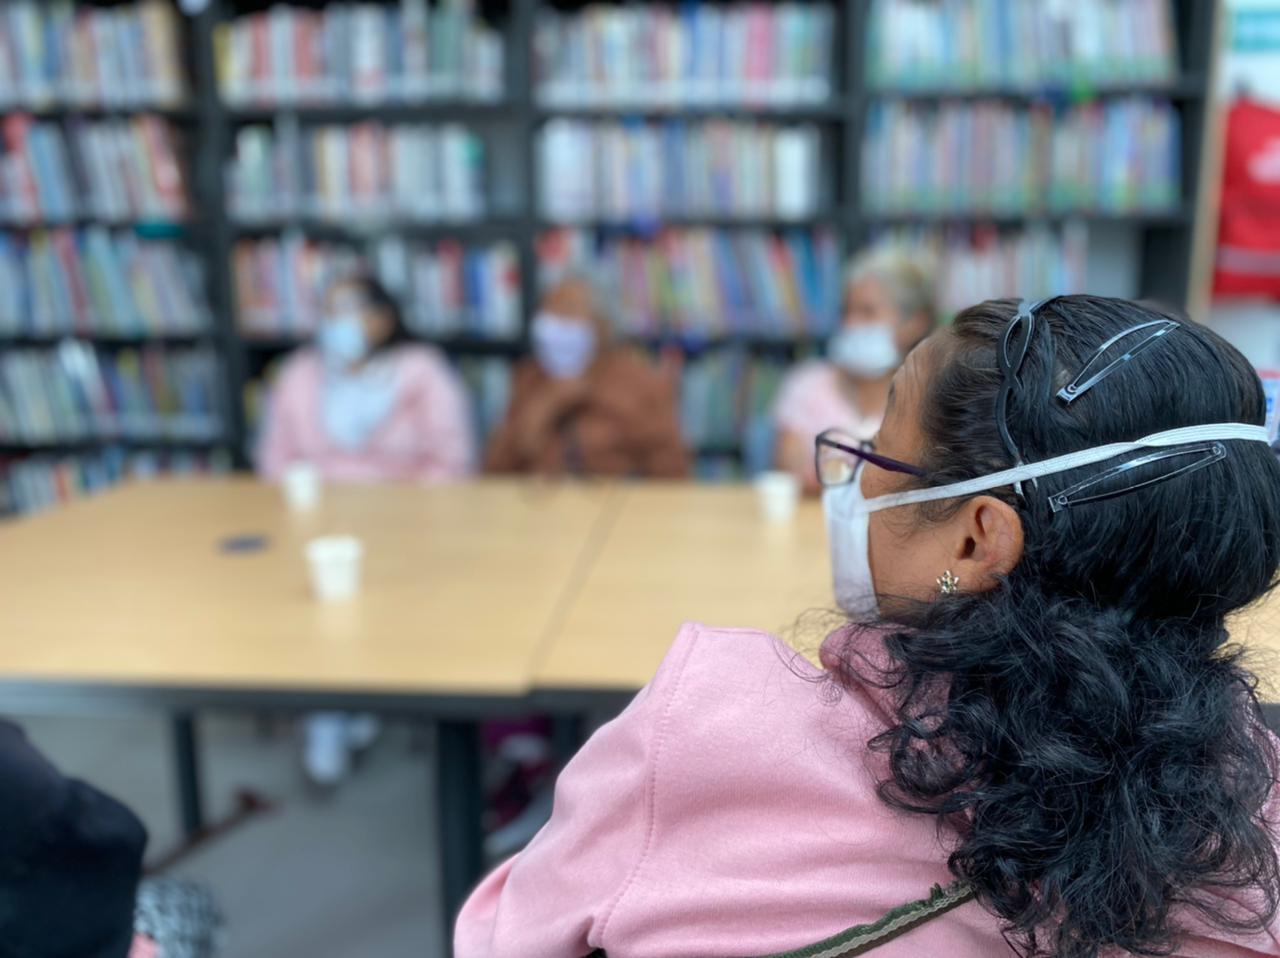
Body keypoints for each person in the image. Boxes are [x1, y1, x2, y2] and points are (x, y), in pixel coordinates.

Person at [455, 296, 1280, 958]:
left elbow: (502, 936)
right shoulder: (1258, 804)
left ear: (977, 539)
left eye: (879, 459)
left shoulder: (701, 733)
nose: (856, 485)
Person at [257, 273, 474, 786]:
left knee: (371, 592)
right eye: (331, 310)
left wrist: (397, 506)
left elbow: (453, 461)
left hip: (407, 523)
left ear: (384, 316)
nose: (341, 323)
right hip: (316, 522)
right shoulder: (300, 374)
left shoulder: (421, 372)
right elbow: (273, 459)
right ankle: (330, 713)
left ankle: (358, 701)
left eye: (352, 308)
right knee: (311, 595)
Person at [485, 275, 689, 478]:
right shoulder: (528, 376)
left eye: (566, 312)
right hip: (531, 506)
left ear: (602, 325)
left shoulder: (639, 381)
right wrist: (542, 409)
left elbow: (672, 474)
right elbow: (492, 475)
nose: (553, 325)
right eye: (547, 312)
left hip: (615, 506)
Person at [774, 247, 936, 494]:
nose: (851, 324)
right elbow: (789, 469)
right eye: (847, 311)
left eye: (867, 311)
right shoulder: (808, 385)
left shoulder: (932, 399)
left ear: (915, 322)